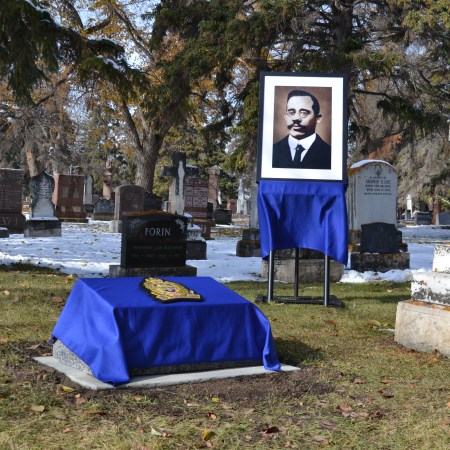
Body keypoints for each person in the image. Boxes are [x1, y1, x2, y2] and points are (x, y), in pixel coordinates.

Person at [272, 89, 331, 169]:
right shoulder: (273, 151)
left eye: (304, 113)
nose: (296, 118)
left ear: (318, 118)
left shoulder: (330, 154)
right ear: (285, 117)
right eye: (291, 112)